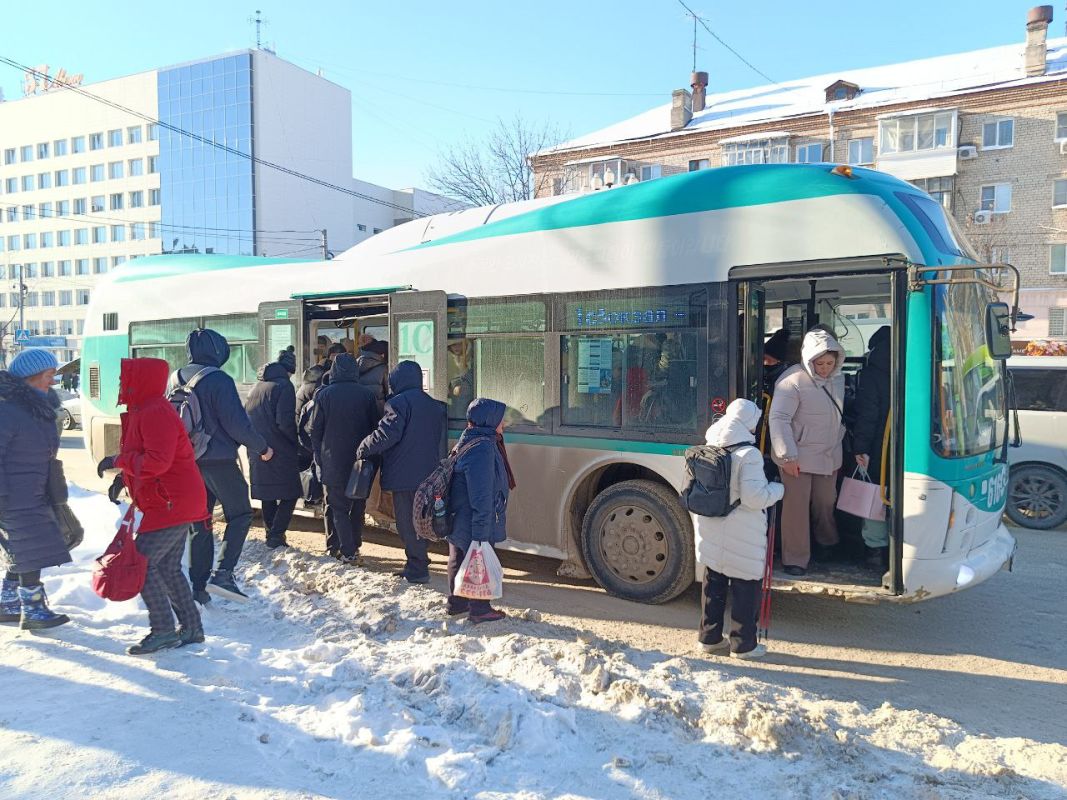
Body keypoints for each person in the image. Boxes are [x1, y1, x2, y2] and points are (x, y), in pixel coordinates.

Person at [97, 358, 207, 654]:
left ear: (140, 382)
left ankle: (163, 631)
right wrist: (124, 476)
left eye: (125, 380)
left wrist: (118, 462)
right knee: (168, 567)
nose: (121, 386)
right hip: (171, 500)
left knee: (141, 564)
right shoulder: (144, 410)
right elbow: (145, 454)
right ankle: (192, 628)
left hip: (172, 502)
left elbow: (158, 462)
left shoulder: (154, 412)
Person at [175, 328, 273, 603]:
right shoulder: (218, 379)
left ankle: (198, 587)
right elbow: (236, 423)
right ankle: (223, 574)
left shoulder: (175, 377)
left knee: (200, 521)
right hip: (218, 460)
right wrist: (262, 447)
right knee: (240, 514)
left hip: (187, 462)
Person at [693, 399, 784, 660]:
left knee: (714, 580)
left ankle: (709, 638)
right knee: (746, 585)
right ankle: (743, 645)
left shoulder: (710, 445)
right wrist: (777, 490)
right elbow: (754, 498)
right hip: (742, 530)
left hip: (711, 524)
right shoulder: (749, 455)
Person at [0, 349, 72, 630]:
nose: (53, 381)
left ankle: (8, 601)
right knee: (30, 549)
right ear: (32, 377)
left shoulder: (37, 408)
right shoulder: (8, 410)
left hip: (33, 491)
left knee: (25, 546)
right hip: (13, 494)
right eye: (49, 375)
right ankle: (33, 610)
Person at [357, 360, 447, 584]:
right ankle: (417, 562)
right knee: (422, 519)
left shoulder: (398, 404)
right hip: (429, 474)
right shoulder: (434, 405)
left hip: (405, 474)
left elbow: (386, 435)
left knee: (408, 523)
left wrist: (364, 446)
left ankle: (417, 569)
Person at [769, 328, 846, 576]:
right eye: (819, 363)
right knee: (796, 509)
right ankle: (796, 559)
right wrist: (787, 456)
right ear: (809, 359)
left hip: (828, 456)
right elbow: (779, 419)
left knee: (825, 503)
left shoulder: (838, 379)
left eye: (829, 363)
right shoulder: (791, 381)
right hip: (797, 457)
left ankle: (827, 544)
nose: (824, 368)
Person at [445, 398, 515, 624]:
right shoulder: (483, 449)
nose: (503, 424)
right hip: (472, 516)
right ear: (489, 420)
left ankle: (457, 603)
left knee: (458, 555)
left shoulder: (468, 438)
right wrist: (482, 534)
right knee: (478, 556)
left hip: (459, 513)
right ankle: (480, 609)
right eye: (499, 419)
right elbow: (482, 494)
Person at [308, 353, 380, 564]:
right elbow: (374, 428)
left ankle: (346, 551)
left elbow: (315, 430)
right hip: (360, 461)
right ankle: (355, 547)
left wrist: (319, 455)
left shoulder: (324, 395)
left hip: (333, 460)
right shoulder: (366, 395)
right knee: (357, 506)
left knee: (337, 507)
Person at [245, 353, 302, 549]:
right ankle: (277, 534)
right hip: (279, 449)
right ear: (289, 371)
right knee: (291, 492)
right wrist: (296, 443)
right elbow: (285, 422)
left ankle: (271, 532)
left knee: (268, 494)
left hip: (257, 449)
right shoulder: (284, 386)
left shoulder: (255, 387)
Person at [851, 326, 892, 569]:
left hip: (878, 447)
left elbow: (868, 415)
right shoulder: (911, 365)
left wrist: (860, 448)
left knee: (875, 496)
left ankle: (874, 551)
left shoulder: (871, 373)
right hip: (902, 446)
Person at [356, 339, 390, 413]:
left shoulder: (355, 364)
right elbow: (389, 393)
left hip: (358, 411)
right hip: (378, 412)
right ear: (383, 355)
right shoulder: (384, 369)